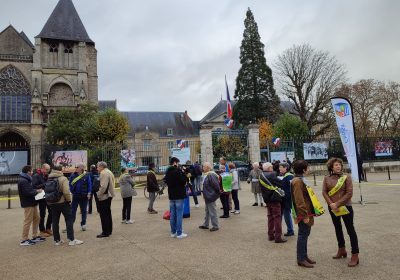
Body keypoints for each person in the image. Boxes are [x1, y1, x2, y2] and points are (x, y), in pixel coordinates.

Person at [322, 157, 360, 267]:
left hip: (345, 207)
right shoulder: (326, 178)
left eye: (339, 164)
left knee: (350, 230)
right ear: (331, 167)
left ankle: (355, 254)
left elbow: (349, 193)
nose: (338, 166)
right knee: (337, 228)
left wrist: (337, 204)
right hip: (333, 208)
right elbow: (324, 192)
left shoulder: (346, 177)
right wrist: (331, 204)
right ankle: (342, 249)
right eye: (336, 165)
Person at [48, 164, 83, 246]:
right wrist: (69, 200)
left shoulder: (49, 178)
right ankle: (71, 239)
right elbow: (66, 192)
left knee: (55, 221)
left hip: (52, 202)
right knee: (69, 220)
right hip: (63, 202)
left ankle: (57, 240)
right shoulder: (63, 179)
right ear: (61, 170)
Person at [291, 160, 315, 268]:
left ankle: (304, 256)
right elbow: (299, 200)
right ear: (304, 170)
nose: (308, 170)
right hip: (303, 213)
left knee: (305, 234)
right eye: (307, 168)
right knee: (302, 235)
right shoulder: (297, 181)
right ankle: (301, 259)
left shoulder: (300, 179)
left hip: (307, 211)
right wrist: (304, 215)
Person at [18, 165, 45, 246]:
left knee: (37, 218)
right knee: (28, 221)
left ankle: (35, 236)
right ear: (28, 172)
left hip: (32, 202)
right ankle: (24, 239)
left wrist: (36, 190)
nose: (33, 172)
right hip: (28, 203)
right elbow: (27, 192)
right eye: (32, 171)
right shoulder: (23, 181)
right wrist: (37, 191)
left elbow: (30, 190)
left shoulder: (27, 179)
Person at [259, 162, 286, 243]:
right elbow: (281, 183)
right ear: (269, 168)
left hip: (267, 199)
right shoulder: (272, 174)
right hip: (274, 198)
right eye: (271, 167)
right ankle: (278, 237)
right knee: (277, 217)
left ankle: (270, 235)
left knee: (270, 217)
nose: (273, 168)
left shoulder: (261, 175)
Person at [165, 157, 188, 239]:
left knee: (172, 215)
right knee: (179, 214)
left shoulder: (167, 171)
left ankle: (173, 232)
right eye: (178, 163)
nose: (178, 164)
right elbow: (183, 181)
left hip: (171, 195)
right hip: (179, 195)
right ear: (175, 163)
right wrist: (184, 173)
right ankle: (179, 233)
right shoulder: (177, 171)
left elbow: (166, 181)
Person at [69, 163, 92, 231]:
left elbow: (89, 184)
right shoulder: (73, 175)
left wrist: (89, 193)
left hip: (84, 196)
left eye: (77, 167)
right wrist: (72, 191)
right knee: (73, 211)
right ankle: (71, 224)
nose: (75, 168)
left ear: (81, 168)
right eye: (75, 167)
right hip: (76, 196)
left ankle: (83, 224)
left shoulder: (87, 175)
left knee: (84, 211)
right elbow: (70, 184)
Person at [32, 163, 52, 237]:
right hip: (41, 198)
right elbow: (34, 186)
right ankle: (42, 230)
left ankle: (48, 228)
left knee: (51, 212)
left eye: (48, 170)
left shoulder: (46, 175)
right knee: (42, 214)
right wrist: (45, 184)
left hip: (48, 196)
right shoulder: (36, 175)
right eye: (46, 170)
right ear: (42, 168)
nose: (47, 171)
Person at [198, 162, 220, 232]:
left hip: (210, 196)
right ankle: (206, 224)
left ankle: (215, 226)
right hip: (207, 196)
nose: (202, 168)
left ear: (207, 167)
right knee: (207, 211)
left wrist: (213, 195)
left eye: (204, 167)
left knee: (212, 211)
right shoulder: (207, 174)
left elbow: (216, 186)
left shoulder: (211, 175)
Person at [96, 161, 115, 238]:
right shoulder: (108, 171)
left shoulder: (103, 173)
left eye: (98, 167)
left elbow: (103, 187)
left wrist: (98, 195)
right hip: (109, 195)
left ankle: (105, 232)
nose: (97, 169)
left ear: (101, 166)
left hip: (104, 196)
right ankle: (109, 230)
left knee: (104, 215)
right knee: (107, 214)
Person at [279, 163, 295, 237]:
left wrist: (287, 196)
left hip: (287, 199)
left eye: (281, 167)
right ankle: (289, 230)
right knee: (285, 214)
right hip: (285, 198)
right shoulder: (285, 176)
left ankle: (290, 230)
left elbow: (292, 188)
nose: (279, 168)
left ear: (286, 168)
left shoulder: (289, 176)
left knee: (287, 215)